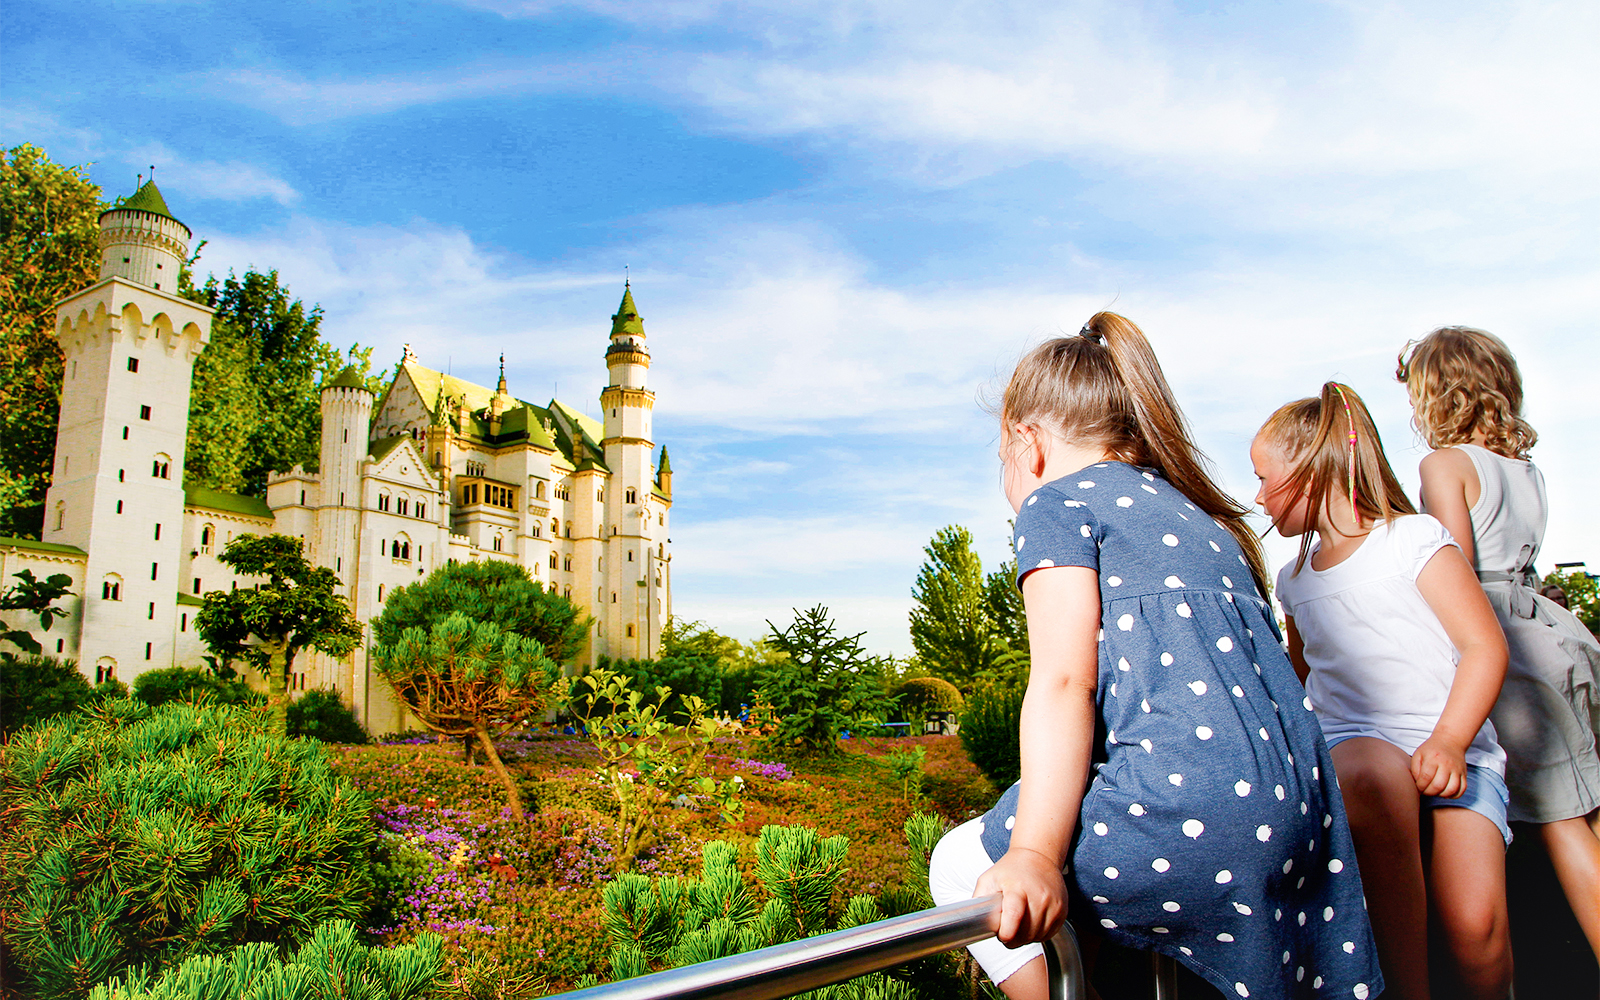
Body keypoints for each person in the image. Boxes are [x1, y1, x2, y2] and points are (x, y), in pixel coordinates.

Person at [928, 313, 1381, 1000]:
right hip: (1296, 817)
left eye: (1002, 459)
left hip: (1196, 827)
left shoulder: (1057, 506)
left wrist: (1034, 855)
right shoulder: (1205, 520)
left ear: (1029, 441)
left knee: (962, 864)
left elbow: (1064, 682)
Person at [1253, 382, 1512, 1000]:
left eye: (1264, 478)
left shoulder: (1414, 540)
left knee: (1475, 928)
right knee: (1367, 776)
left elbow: (1485, 647)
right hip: (1358, 750)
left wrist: (1450, 741)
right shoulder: (1294, 580)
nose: (1258, 497)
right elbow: (1302, 681)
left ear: (1312, 469)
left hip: (1455, 753)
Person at [1397, 326, 1600, 958]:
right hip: (1555, 633)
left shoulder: (1444, 465)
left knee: (1562, 825)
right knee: (1588, 809)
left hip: (1505, 644)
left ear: (1436, 394)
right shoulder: (1525, 471)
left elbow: (1452, 564)